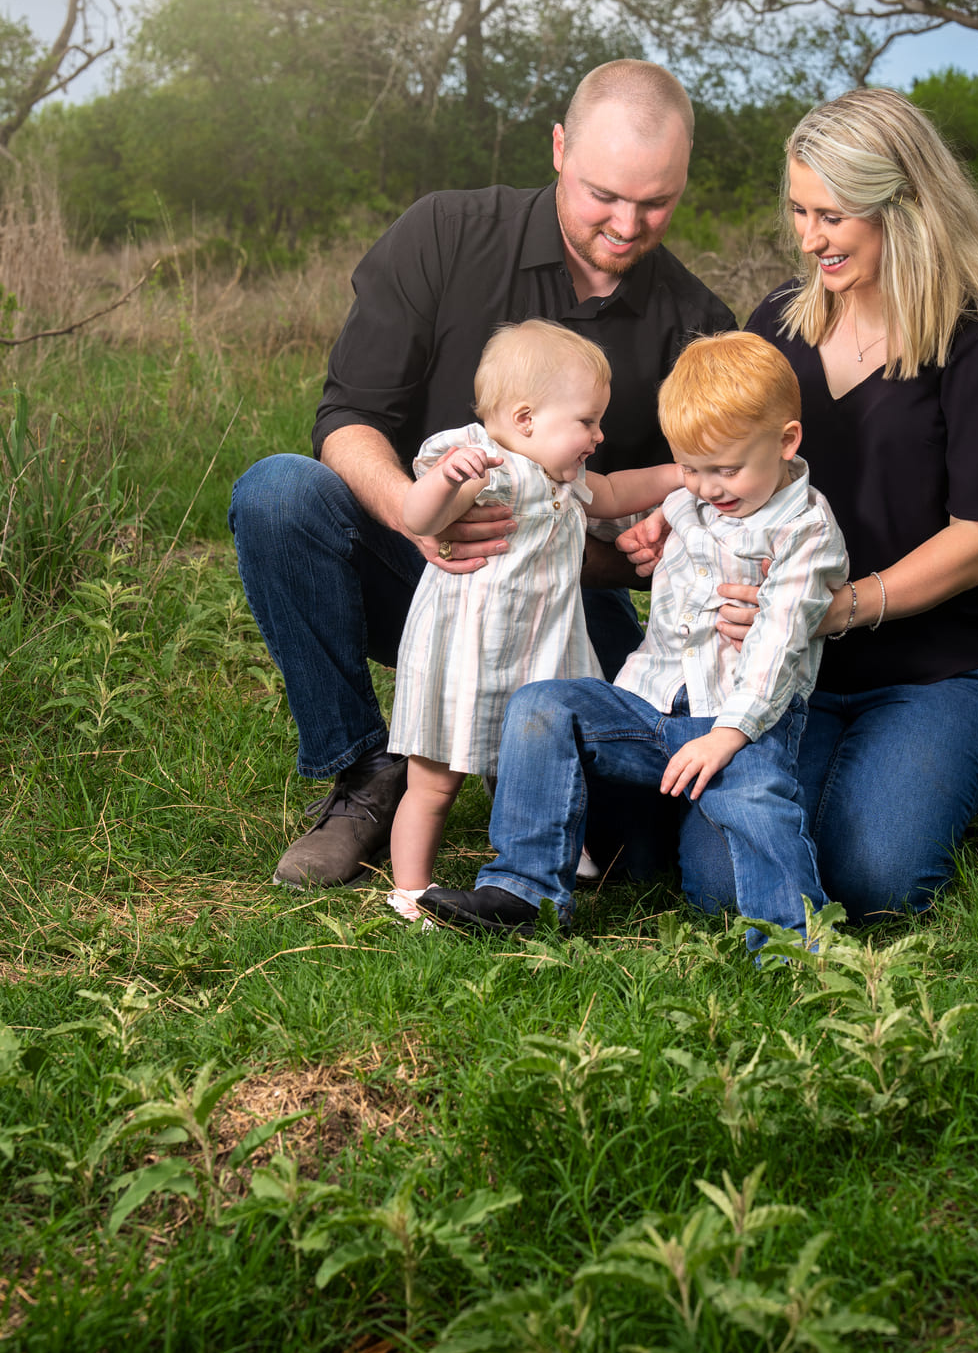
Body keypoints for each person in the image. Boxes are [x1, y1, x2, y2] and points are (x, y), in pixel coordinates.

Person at [228, 60, 735, 888]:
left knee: (638, 854)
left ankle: (535, 795)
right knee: (279, 494)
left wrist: (664, 536)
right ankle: (366, 774)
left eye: (655, 202)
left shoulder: (696, 323)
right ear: (559, 148)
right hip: (416, 573)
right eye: (603, 194)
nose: (626, 223)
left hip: (564, 603)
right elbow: (347, 417)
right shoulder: (445, 233)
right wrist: (413, 512)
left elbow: (706, 500)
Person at [621, 86, 978, 924]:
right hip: (772, 673)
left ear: (903, 207)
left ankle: (917, 777)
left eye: (832, 217)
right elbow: (727, 460)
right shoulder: (777, 323)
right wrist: (682, 510)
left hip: (926, 672)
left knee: (877, 882)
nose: (809, 238)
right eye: (799, 212)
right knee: (726, 888)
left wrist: (831, 609)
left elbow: (977, 546)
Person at [418, 331, 848, 948]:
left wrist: (728, 734)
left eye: (725, 470)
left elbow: (780, 641)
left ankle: (794, 944)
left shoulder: (806, 529)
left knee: (756, 801)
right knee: (542, 705)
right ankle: (523, 889)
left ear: (787, 442)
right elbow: (609, 501)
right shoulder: (693, 500)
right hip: (649, 707)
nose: (708, 488)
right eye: (692, 469)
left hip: (741, 718)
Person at [385, 321, 682, 919]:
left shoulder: (564, 478)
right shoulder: (483, 465)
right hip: (466, 654)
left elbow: (616, 492)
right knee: (434, 781)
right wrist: (447, 479)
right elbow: (419, 516)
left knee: (531, 767)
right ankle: (410, 889)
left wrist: (681, 475)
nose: (599, 435)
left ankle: (544, 851)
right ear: (526, 419)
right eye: (588, 421)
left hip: (540, 650)